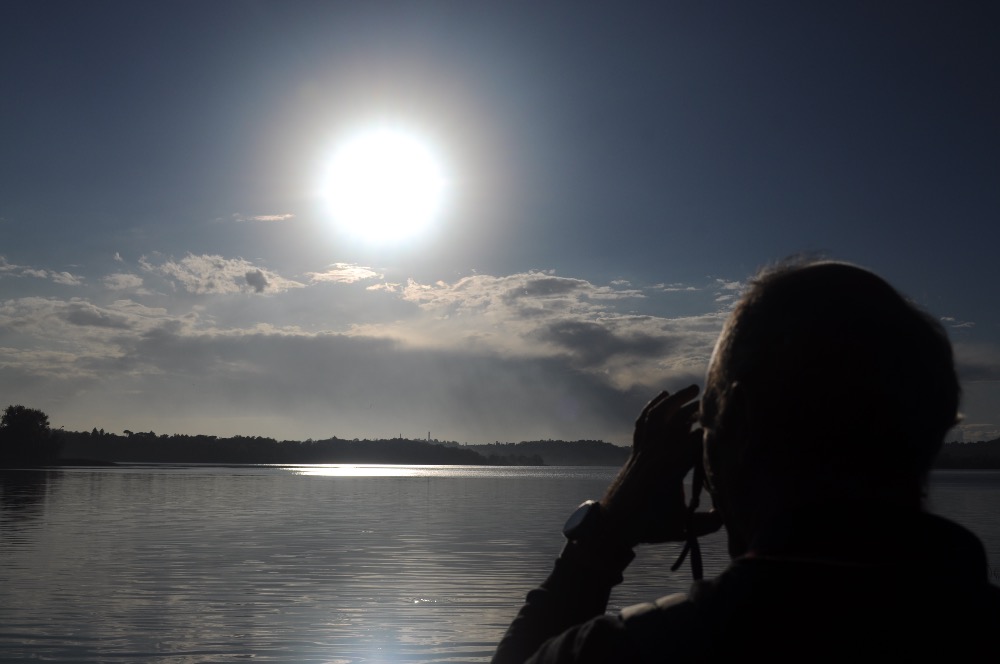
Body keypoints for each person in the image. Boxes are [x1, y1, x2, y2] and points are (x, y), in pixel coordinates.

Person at [492, 260, 1000, 663]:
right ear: (932, 427)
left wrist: (605, 534)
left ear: (743, 421)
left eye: (709, 429)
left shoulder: (623, 651)